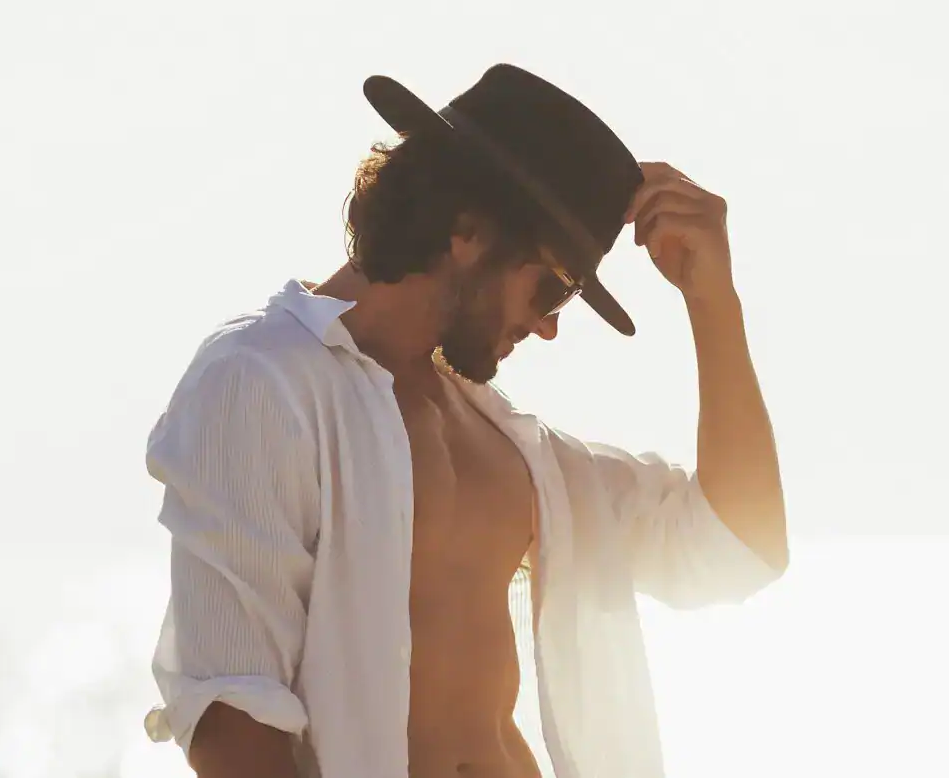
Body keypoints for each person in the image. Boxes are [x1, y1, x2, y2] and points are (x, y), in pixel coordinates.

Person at [142, 64, 790, 778]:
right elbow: (233, 721)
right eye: (552, 286)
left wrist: (712, 297)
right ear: (467, 228)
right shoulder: (262, 380)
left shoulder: (510, 447)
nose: (547, 327)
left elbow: (738, 544)